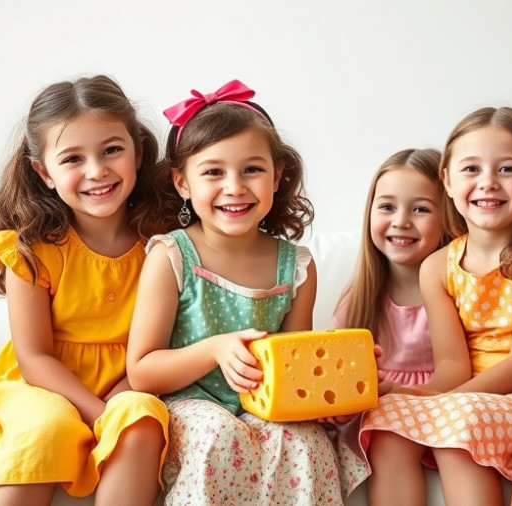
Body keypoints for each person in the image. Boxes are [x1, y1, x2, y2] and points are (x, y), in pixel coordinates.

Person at [126, 79, 368, 506]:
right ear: (182, 183)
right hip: (191, 405)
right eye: (213, 172)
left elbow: (297, 367)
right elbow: (142, 371)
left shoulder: (297, 267)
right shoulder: (171, 256)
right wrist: (215, 349)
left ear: (277, 176)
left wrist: (343, 375)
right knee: (218, 434)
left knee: (305, 441)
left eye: (252, 170)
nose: (235, 186)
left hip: (268, 407)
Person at [0, 75, 171, 506]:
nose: (96, 171)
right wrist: (95, 411)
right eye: (72, 158)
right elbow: (34, 357)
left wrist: (124, 395)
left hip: (135, 379)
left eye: (112, 150)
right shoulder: (33, 250)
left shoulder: (165, 243)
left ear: (139, 152)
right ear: (44, 172)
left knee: (141, 418)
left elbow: (171, 338)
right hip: (46, 385)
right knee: (45, 429)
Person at [359, 106, 512, 505]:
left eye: (506, 169)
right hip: (468, 394)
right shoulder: (437, 267)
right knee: (384, 418)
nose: (488, 182)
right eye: (471, 169)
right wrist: (417, 393)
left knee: (459, 425)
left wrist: (449, 401)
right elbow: (453, 363)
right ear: (448, 181)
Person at [333, 148, 455, 392]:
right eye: (388, 207)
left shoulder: (459, 293)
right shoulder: (355, 303)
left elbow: (461, 373)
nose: (400, 221)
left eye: (421, 209)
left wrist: (403, 395)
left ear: (448, 218)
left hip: (440, 404)